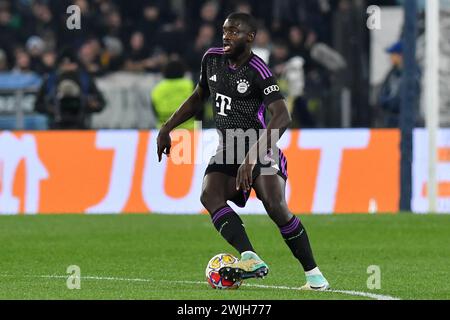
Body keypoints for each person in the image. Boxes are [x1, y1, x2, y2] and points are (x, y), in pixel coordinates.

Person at [156, 12, 329, 290]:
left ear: (250, 38)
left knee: (275, 205)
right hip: (228, 147)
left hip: (260, 145)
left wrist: (252, 157)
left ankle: (314, 275)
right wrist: (168, 127)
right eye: (225, 30)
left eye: (234, 32)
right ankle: (250, 257)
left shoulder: (258, 70)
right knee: (209, 194)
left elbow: (282, 117)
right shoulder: (211, 59)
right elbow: (200, 96)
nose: (227, 36)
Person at [34, 49, 105, 129]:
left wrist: (88, 105)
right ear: (59, 66)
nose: (67, 67)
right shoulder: (51, 80)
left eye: (71, 64)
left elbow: (100, 104)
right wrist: (52, 109)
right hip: (56, 127)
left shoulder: (85, 80)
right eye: (64, 64)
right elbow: (37, 105)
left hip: (80, 127)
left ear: (76, 65)